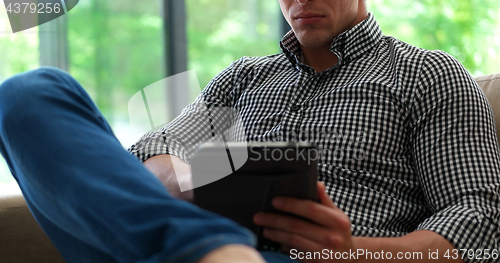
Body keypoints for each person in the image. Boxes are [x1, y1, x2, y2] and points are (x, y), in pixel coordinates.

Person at [0, 1, 498, 263]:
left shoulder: (426, 74)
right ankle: (211, 247)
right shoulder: (246, 77)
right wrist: (193, 181)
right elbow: (154, 150)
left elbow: (481, 224)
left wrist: (351, 255)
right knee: (30, 92)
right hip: (165, 249)